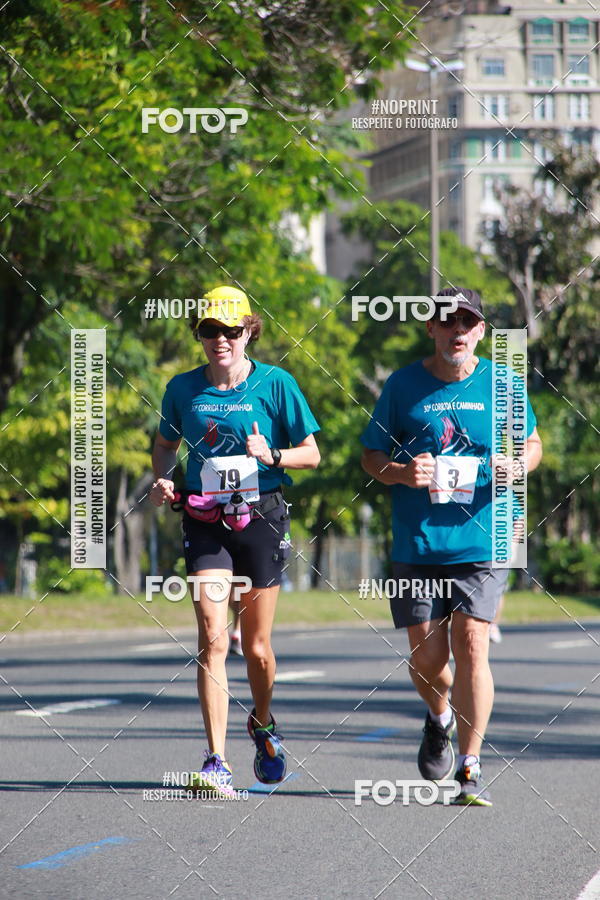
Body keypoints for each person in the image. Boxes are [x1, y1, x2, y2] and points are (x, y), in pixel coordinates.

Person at [360, 288, 542, 806]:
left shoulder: (501, 383)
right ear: (432, 330)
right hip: (418, 542)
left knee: (471, 645)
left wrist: (518, 464)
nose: (457, 329)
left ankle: (470, 765)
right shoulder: (403, 386)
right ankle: (438, 716)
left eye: (468, 321)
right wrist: (399, 471)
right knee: (427, 657)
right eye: (447, 321)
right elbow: (371, 456)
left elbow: (532, 443)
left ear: (481, 331)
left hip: (482, 538)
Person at [150, 285, 320, 795]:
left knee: (259, 648)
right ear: (199, 335)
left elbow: (311, 454)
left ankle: (263, 723)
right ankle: (215, 761)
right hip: (205, 519)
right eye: (209, 331)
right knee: (212, 634)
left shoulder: (276, 384)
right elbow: (164, 445)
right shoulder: (182, 389)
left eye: (230, 330)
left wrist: (272, 455)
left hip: (262, 516)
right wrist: (164, 479)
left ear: (249, 330)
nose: (220, 339)